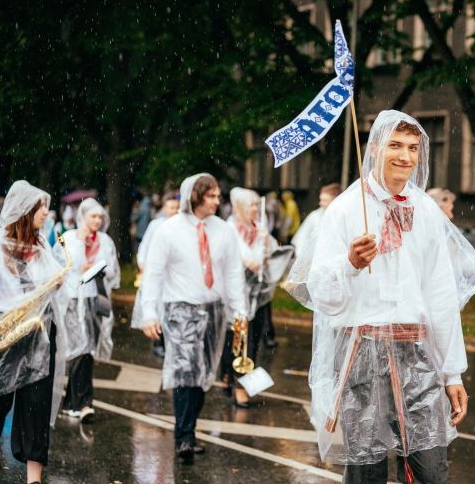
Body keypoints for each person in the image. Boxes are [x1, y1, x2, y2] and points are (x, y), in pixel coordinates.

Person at [287, 110, 475, 483]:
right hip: (364, 355)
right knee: (367, 471)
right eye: (395, 145)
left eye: (413, 147)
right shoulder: (347, 209)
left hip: (417, 354)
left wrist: (453, 372)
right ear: (375, 148)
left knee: (430, 469)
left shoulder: (425, 211)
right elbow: (323, 295)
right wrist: (349, 263)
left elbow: (441, 294)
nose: (405, 156)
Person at [134, 173, 247, 463]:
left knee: (202, 375)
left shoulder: (223, 231)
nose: (217, 200)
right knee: (186, 372)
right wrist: (149, 313)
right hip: (180, 309)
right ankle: (183, 436)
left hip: (213, 309)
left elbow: (234, 273)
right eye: (210, 195)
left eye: (216, 195)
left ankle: (190, 429)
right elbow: (154, 275)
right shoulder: (168, 230)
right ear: (195, 197)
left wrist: (240, 312)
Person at [0, 180, 68, 484]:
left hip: (39, 333)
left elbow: (49, 286)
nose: (46, 213)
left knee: (36, 405)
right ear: (24, 211)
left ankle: (34, 479)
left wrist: (56, 284)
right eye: (41, 208)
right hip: (5, 331)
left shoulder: (42, 244)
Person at [222, 188, 292, 406]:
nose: (255, 209)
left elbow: (269, 258)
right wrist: (248, 259)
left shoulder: (259, 230)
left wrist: (267, 245)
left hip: (258, 297)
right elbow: (238, 258)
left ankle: (239, 382)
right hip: (234, 295)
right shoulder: (228, 229)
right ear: (240, 206)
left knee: (252, 341)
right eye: (251, 205)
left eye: (256, 205)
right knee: (234, 340)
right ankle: (232, 378)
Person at [60, 198, 120, 424]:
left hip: (95, 298)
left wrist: (99, 268)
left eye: (100, 217)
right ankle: (85, 403)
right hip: (73, 298)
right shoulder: (68, 239)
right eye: (93, 216)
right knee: (80, 348)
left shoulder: (105, 241)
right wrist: (79, 267)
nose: (97, 220)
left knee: (88, 349)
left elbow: (113, 269)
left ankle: (71, 402)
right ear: (82, 217)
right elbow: (60, 267)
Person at [136, 191, 180, 357]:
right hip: (158, 274)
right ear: (164, 208)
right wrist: (143, 263)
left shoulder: (180, 226)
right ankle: (158, 341)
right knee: (158, 306)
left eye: (176, 207)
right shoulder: (156, 225)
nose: (174, 210)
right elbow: (145, 245)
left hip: (172, 275)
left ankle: (169, 339)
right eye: (171, 207)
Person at [292, 183, 341, 258]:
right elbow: (301, 237)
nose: (320, 203)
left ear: (334, 200)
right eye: (320, 200)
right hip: (315, 260)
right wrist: (302, 257)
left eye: (325, 200)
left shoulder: (341, 216)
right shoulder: (315, 216)